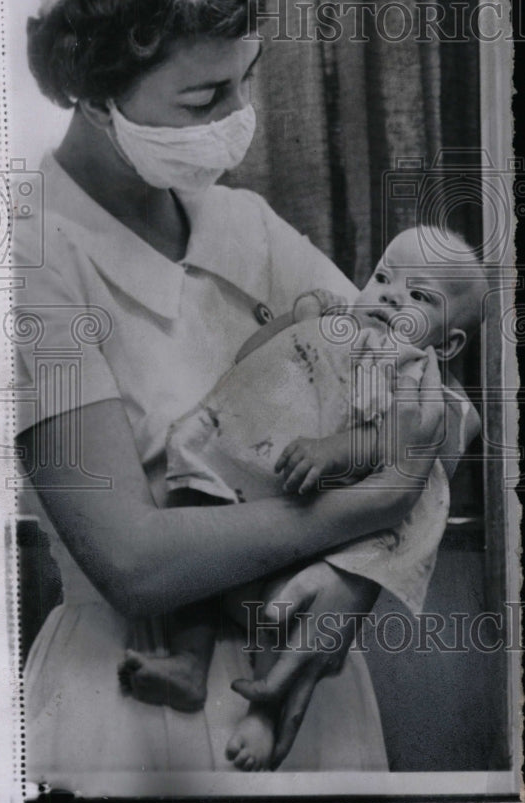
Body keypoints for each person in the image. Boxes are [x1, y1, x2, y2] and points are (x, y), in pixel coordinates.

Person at [14, 0, 452, 797]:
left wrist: (354, 587)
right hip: (128, 708)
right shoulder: (26, 258)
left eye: (245, 82)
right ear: (96, 95)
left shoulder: (243, 224)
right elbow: (135, 561)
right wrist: (364, 513)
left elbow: (430, 398)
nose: (236, 120)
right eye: (203, 99)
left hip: (303, 679)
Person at [118, 225, 484, 771]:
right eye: (383, 277)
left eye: (419, 296)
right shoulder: (337, 323)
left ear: (448, 343)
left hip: (309, 516)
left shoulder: (410, 369)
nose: (390, 296)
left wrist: (336, 449)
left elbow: (394, 442)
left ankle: (263, 712)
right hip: (244, 483)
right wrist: (296, 320)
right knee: (192, 515)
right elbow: (245, 361)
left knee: (285, 609)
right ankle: (188, 667)